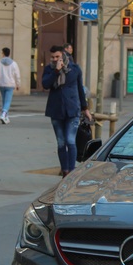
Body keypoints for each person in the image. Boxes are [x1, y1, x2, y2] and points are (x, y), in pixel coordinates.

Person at [42, 45, 92, 177]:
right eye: (52, 57)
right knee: (61, 142)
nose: (54, 59)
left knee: (70, 141)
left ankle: (71, 171)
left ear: (63, 56)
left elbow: (80, 90)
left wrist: (85, 109)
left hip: (72, 110)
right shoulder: (49, 69)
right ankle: (65, 171)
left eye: (57, 57)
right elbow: (45, 84)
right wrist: (56, 72)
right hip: (56, 110)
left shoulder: (74, 69)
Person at [0, 47, 21, 125]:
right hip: (10, 84)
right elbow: (17, 74)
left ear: (3, 53)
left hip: (1, 84)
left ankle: (6, 117)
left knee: (4, 100)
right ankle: (4, 114)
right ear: (9, 53)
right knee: (8, 101)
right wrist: (18, 84)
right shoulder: (14, 63)